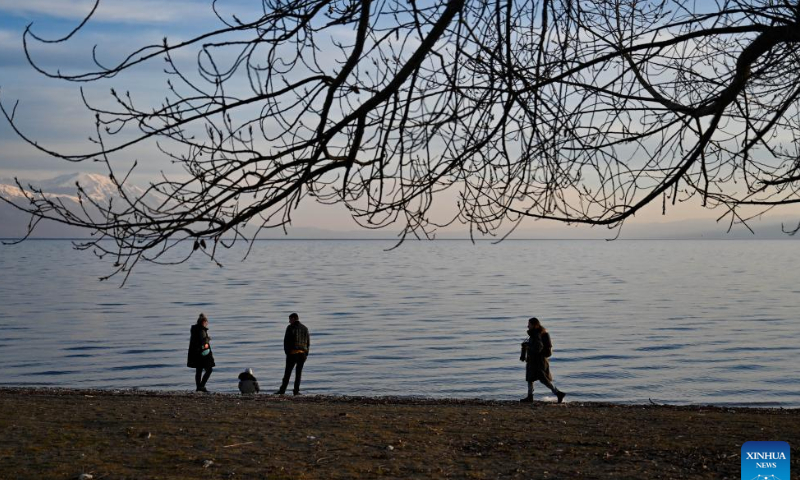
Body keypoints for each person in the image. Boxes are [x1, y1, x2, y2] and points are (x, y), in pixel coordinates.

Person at [520, 317, 566, 403]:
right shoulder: (537, 333)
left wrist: (528, 346)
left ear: (534, 325)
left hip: (538, 362)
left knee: (543, 380)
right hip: (535, 361)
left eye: (529, 324)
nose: (527, 326)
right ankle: (530, 397)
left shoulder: (536, 334)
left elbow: (538, 348)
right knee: (531, 378)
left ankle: (558, 393)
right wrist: (528, 345)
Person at [275, 312, 310, 395]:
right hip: (302, 354)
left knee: (287, 373)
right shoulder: (305, 328)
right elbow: (308, 342)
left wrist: (287, 352)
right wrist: (306, 353)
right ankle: (296, 391)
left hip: (292, 353)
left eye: (290, 319)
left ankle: (282, 390)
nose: (289, 321)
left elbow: (286, 341)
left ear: (294, 318)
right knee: (298, 374)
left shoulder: (290, 327)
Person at [187, 312, 215, 392]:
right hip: (203, 354)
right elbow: (203, 341)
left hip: (195, 353)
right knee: (209, 370)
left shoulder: (194, 329)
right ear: (204, 322)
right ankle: (201, 386)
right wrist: (208, 339)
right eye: (206, 322)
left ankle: (198, 387)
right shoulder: (201, 330)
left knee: (198, 370)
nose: (207, 324)